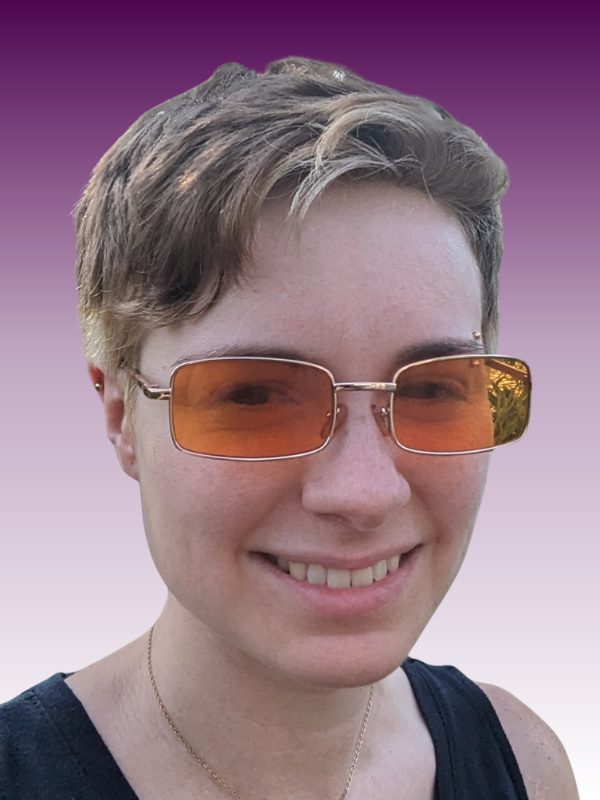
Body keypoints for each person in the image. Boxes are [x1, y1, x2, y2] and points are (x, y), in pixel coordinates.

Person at [0, 58, 579, 800]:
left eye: (433, 388)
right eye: (254, 397)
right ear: (120, 415)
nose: (364, 493)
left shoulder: (526, 764)